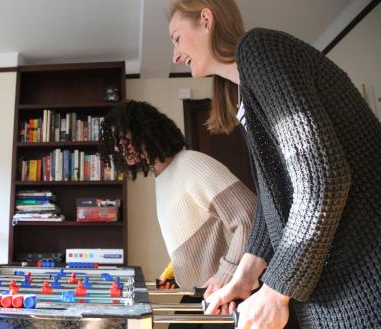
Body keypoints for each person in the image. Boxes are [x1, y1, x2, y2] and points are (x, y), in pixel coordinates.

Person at [168, 1, 381, 328]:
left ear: (206, 19)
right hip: (331, 287)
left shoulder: (260, 49)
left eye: (177, 38)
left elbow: (323, 180)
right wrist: (243, 278)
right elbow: (273, 203)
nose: (175, 55)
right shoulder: (247, 97)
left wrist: (276, 290)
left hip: (363, 272)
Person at [100, 100, 255, 322]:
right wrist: (173, 274)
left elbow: (249, 215)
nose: (117, 147)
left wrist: (226, 274)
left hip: (227, 298)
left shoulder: (190, 164)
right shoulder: (162, 178)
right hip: (198, 295)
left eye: (121, 138)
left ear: (143, 130)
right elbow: (192, 235)